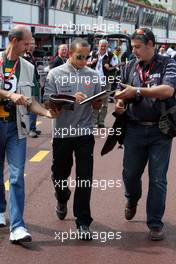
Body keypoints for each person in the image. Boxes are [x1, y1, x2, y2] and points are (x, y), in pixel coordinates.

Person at [115, 28, 176, 241]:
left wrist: (138, 91)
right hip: (134, 129)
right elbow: (119, 91)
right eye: (132, 47)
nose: (134, 52)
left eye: (138, 47)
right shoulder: (129, 65)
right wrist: (120, 101)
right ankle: (132, 198)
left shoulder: (168, 64)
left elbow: (168, 90)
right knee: (130, 174)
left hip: (161, 130)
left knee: (158, 179)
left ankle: (155, 223)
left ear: (151, 44)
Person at [0, 26, 56, 243]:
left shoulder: (28, 67)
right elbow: (14, 95)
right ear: (14, 41)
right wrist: (10, 95)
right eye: (26, 43)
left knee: (16, 176)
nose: (29, 46)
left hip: (16, 127)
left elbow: (32, 102)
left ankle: (18, 226)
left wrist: (47, 113)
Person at [44, 38, 102, 240]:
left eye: (86, 57)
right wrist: (67, 99)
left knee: (84, 178)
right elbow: (48, 102)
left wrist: (96, 103)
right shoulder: (55, 73)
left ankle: (83, 222)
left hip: (85, 133)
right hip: (62, 133)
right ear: (69, 53)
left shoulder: (94, 75)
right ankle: (62, 197)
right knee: (59, 175)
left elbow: (98, 105)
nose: (83, 61)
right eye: (79, 57)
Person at [87, 39, 118, 127]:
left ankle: (101, 121)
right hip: (94, 81)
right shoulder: (93, 54)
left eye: (105, 46)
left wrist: (109, 68)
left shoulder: (111, 55)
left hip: (106, 80)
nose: (103, 47)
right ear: (98, 46)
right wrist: (91, 62)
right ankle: (94, 121)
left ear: (107, 47)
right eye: (102, 46)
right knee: (95, 101)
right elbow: (85, 63)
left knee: (104, 102)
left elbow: (116, 66)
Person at [23, 37, 42, 138]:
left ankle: (32, 127)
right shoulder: (24, 56)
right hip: (28, 86)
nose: (33, 46)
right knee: (31, 108)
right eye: (31, 44)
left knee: (34, 108)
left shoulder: (30, 55)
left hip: (34, 84)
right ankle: (30, 129)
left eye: (34, 44)